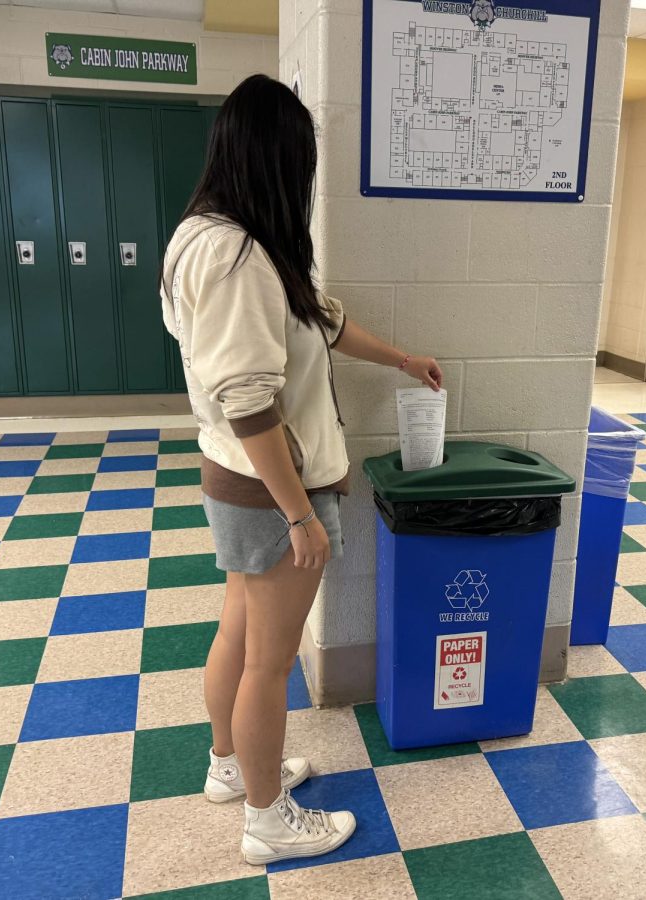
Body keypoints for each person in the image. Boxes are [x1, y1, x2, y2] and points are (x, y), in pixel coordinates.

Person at [160, 74, 443, 866]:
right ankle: (266, 819)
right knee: (270, 660)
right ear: (278, 159)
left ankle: (230, 767)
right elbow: (249, 404)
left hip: (238, 481)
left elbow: (323, 318)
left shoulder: (217, 237)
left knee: (241, 631)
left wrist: (403, 359)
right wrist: (300, 514)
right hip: (266, 490)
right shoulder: (237, 259)